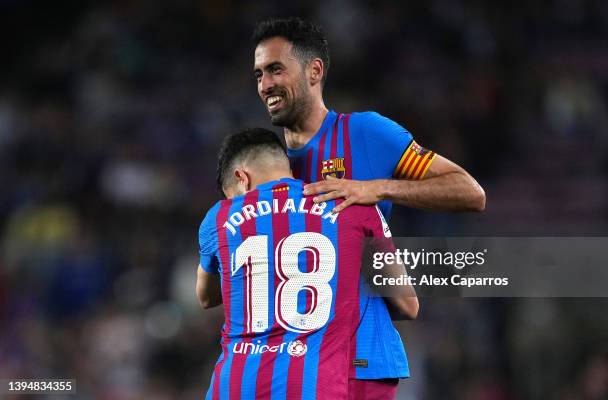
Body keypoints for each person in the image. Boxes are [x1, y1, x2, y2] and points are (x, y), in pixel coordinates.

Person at [252, 17, 486, 399]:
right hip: (284, 362)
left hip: (355, 359)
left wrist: (375, 188)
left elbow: (469, 191)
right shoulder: (260, 163)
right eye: (259, 74)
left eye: (276, 69)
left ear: (315, 71)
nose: (265, 85)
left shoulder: (366, 134)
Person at [196, 128, 418, 400]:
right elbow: (408, 304)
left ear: (241, 178)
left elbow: (205, 297)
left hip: (234, 385)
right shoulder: (352, 203)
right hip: (315, 382)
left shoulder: (217, 218)